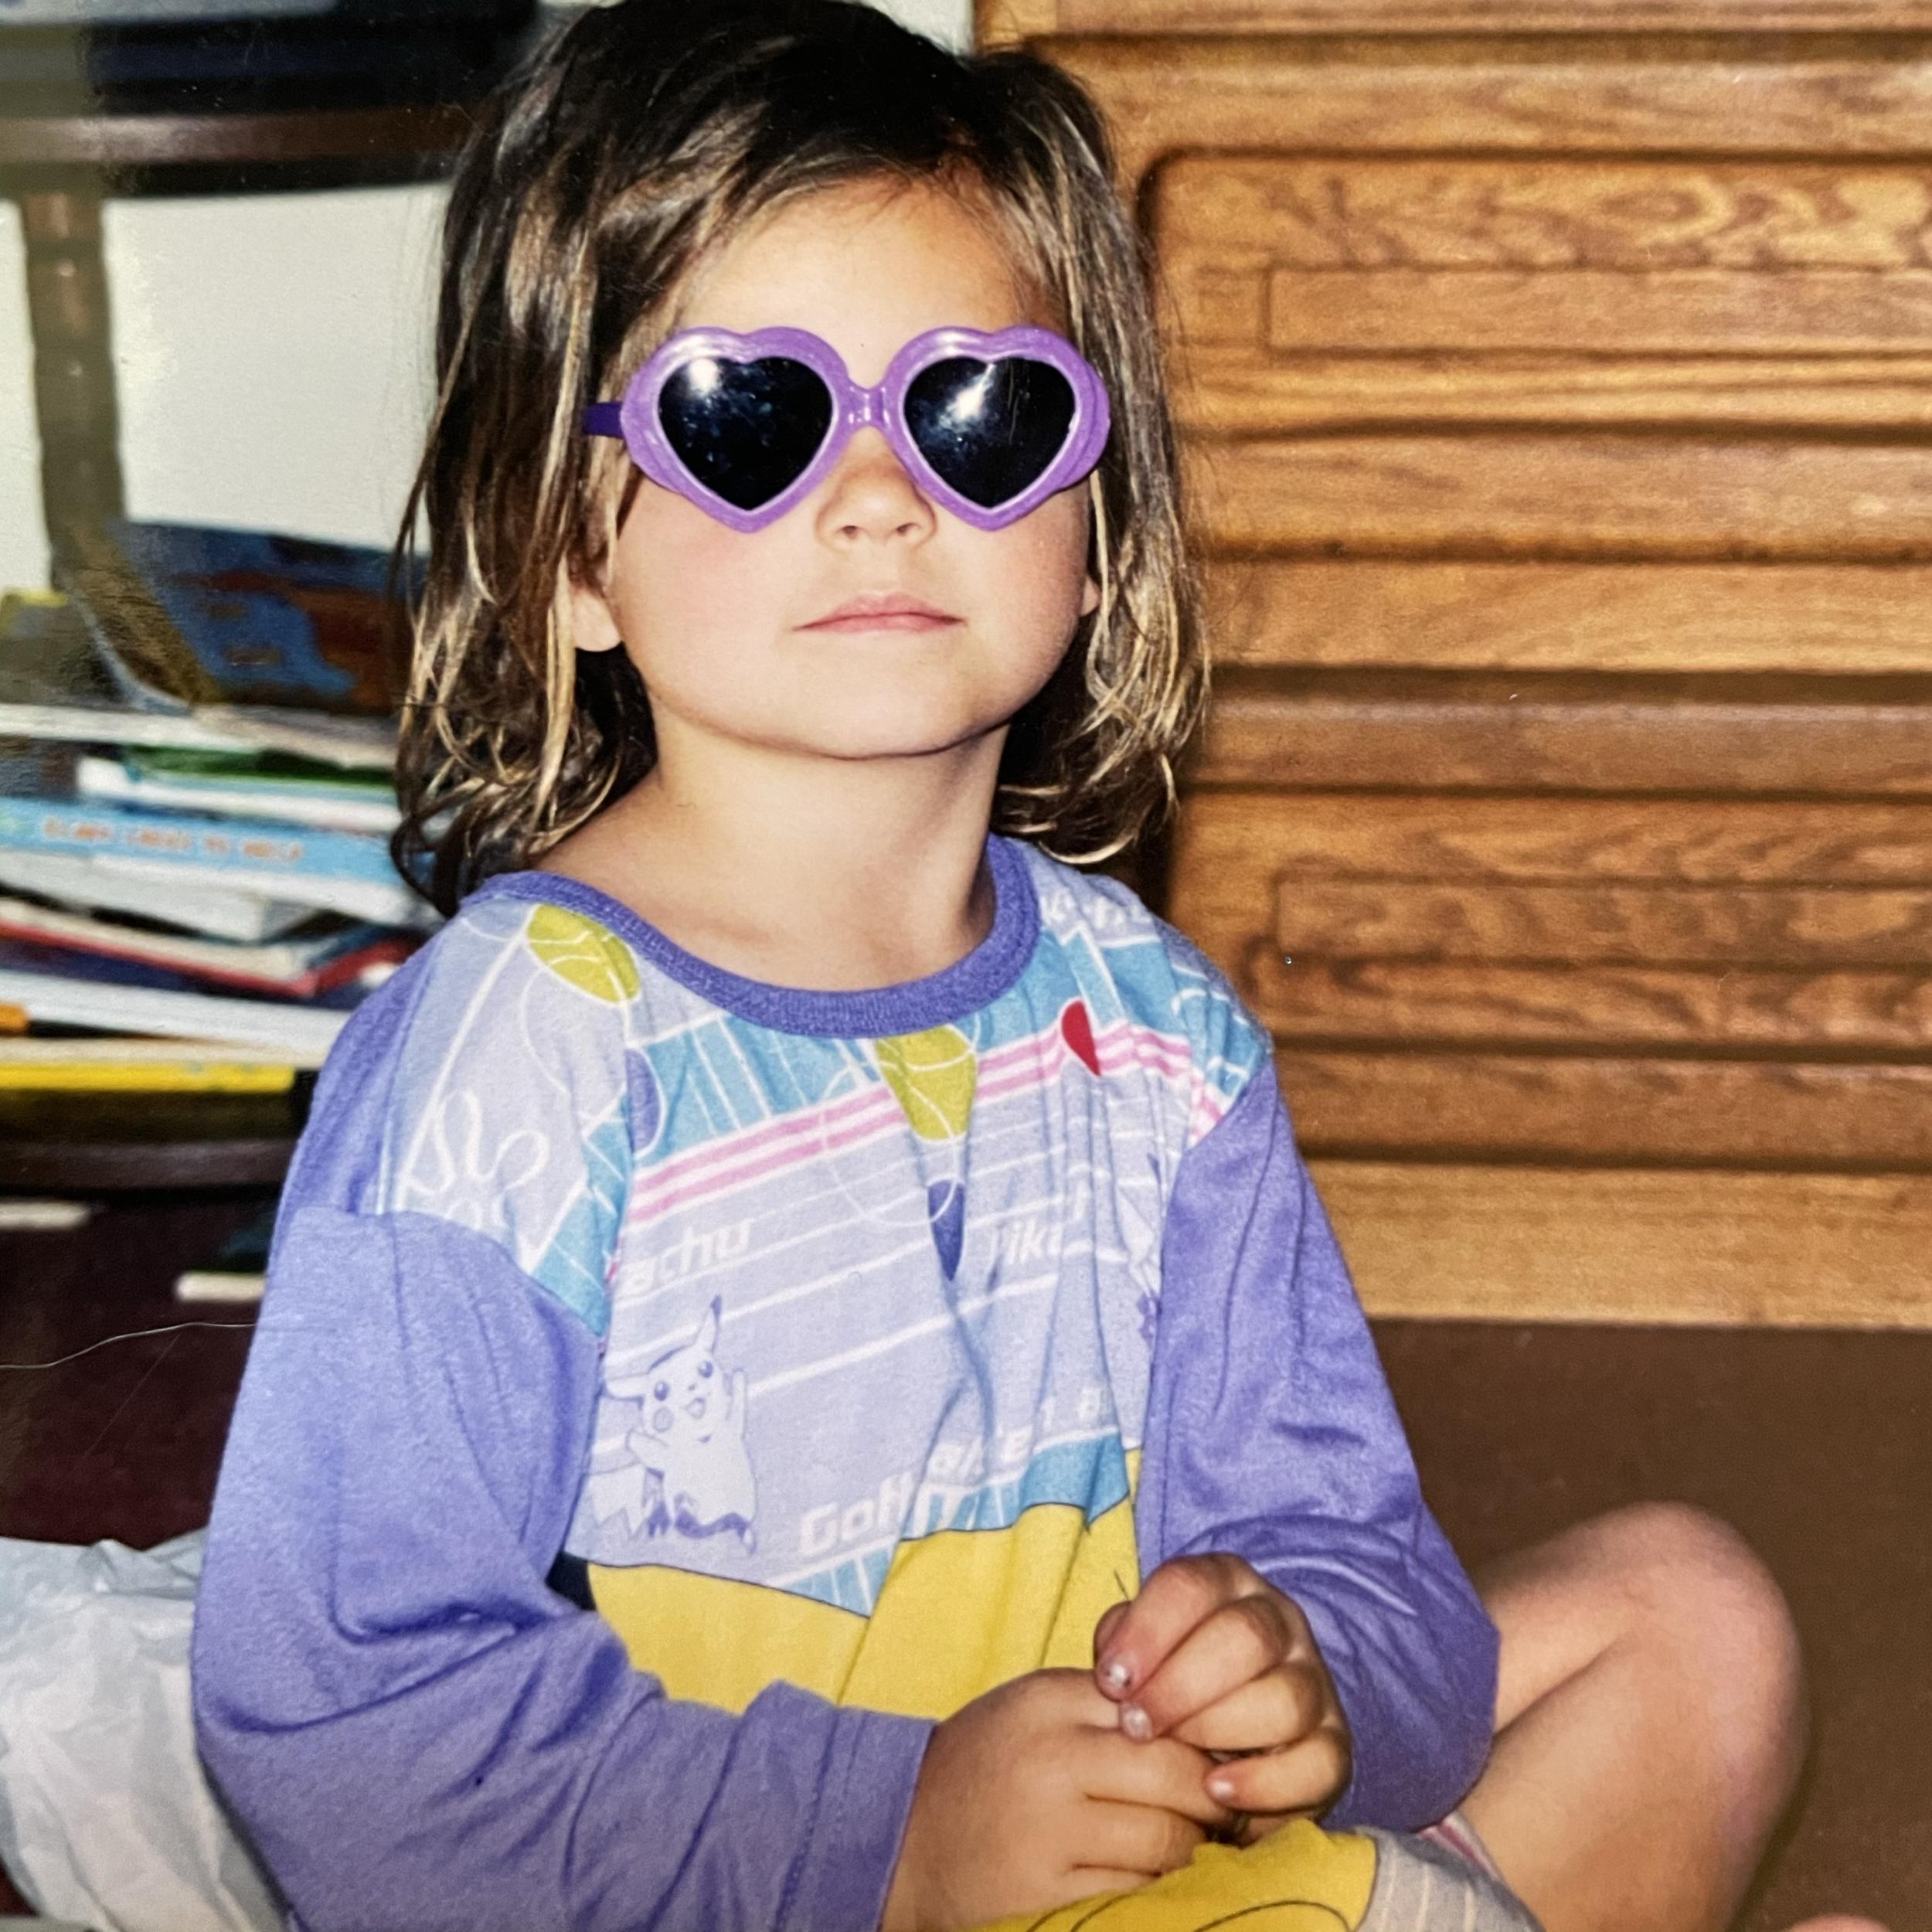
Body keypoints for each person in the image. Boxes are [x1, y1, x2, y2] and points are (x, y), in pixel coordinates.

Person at [189, 5, 1810, 1929]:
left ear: (1094, 527)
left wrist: (1296, 1668)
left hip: (1147, 1852)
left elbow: (1340, 1544)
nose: (880, 493)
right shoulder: (510, 1059)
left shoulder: (1157, 1031)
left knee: (1692, 1613)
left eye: (977, 415)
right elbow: (347, 1713)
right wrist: (893, 1829)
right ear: (565, 553)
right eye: (747, 415)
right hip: (739, 1884)